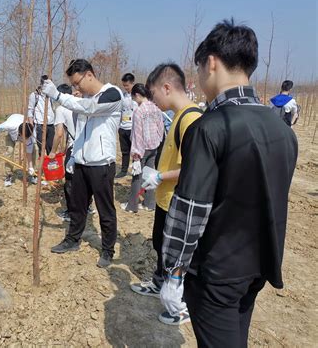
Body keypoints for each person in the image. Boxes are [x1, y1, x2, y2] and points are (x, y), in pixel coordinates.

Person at [145, 19, 298, 346]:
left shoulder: (210, 128)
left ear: (212, 62)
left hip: (217, 271)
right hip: (258, 265)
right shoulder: (281, 129)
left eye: (199, 69)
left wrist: (173, 273)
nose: (199, 79)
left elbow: (190, 212)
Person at [130, 63, 203, 326]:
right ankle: (159, 282)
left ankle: (181, 304)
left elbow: (193, 168)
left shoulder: (190, 119)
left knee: (175, 254)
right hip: (165, 198)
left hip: (177, 200)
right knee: (160, 245)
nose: (152, 100)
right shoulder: (177, 115)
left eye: (153, 94)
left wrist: (160, 176)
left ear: (167, 87)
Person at [42, 59, 123, 268]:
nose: (77, 88)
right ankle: (72, 239)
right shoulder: (84, 98)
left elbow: (88, 108)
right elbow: (79, 133)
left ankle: (107, 249)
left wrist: (59, 96)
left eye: (78, 83)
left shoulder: (112, 94)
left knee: (105, 209)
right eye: (73, 85)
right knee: (77, 206)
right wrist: (73, 157)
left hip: (101, 164)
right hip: (81, 162)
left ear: (89, 74)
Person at [49, 84, 95, 222]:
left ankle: (71, 211)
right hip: (89, 146)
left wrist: (52, 151)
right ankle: (87, 206)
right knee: (86, 178)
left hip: (74, 148)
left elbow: (59, 133)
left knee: (70, 181)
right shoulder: (84, 103)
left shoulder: (61, 109)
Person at [121, 83, 164, 213]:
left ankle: (132, 205)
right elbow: (161, 128)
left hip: (142, 148)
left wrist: (135, 154)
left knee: (137, 176)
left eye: (134, 98)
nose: (135, 101)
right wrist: (157, 141)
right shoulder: (156, 109)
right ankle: (150, 203)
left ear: (138, 95)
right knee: (150, 175)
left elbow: (137, 134)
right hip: (154, 146)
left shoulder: (139, 111)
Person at [0, 114, 37, 186]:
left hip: (21, 127)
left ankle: (33, 174)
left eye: (27, 138)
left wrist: (30, 166)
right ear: (20, 133)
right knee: (9, 151)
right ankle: (9, 175)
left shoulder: (31, 134)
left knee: (34, 151)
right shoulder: (9, 125)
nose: (25, 140)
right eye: (24, 138)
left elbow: (29, 152)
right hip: (11, 133)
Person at [28, 76, 55, 157]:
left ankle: (50, 167)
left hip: (51, 124)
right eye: (46, 83)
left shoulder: (51, 94)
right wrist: (31, 125)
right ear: (42, 84)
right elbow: (30, 109)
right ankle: (41, 166)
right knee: (40, 147)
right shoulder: (34, 95)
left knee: (50, 146)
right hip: (40, 124)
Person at [116, 73, 137, 178]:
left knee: (134, 151)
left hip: (133, 128)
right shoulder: (123, 96)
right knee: (125, 151)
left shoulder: (137, 96)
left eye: (127, 85)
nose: (125, 87)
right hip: (123, 127)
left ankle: (135, 170)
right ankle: (124, 170)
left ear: (132, 83)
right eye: (124, 85)